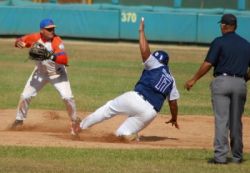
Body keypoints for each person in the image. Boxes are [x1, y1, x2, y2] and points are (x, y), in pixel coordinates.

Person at [79, 17, 180, 141]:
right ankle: (128, 135)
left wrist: (141, 32)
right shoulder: (172, 80)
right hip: (150, 113)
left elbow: (145, 52)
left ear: (157, 60)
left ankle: (80, 127)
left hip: (136, 99)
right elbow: (173, 103)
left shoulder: (155, 64)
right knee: (120, 135)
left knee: (108, 109)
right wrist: (174, 117)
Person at [184, 14, 250, 164]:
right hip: (240, 83)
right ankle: (237, 157)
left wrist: (194, 79)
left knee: (222, 121)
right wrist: (244, 78)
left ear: (224, 26)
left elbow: (208, 64)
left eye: (222, 25)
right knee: (236, 122)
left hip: (222, 82)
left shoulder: (219, 42)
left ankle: (220, 157)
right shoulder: (247, 44)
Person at [12, 18, 80, 136]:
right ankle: (19, 120)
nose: (52, 31)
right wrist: (19, 43)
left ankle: (75, 121)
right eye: (49, 29)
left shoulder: (57, 41)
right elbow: (20, 41)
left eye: (53, 28)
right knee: (25, 95)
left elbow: (64, 59)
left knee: (67, 97)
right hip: (40, 73)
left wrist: (50, 55)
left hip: (57, 73)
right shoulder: (35, 37)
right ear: (42, 30)